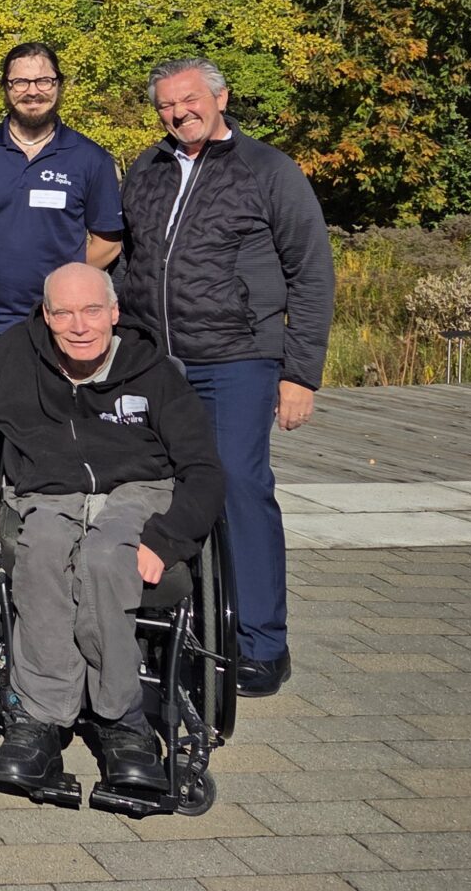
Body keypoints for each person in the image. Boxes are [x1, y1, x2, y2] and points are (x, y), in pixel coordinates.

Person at [0, 264, 225, 795]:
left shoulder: (153, 371)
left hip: (138, 494)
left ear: (113, 312)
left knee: (105, 557)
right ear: (46, 316)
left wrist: (168, 540)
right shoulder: (12, 359)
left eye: (92, 310)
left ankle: (123, 722)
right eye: (63, 312)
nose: (79, 325)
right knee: (44, 552)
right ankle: (41, 720)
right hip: (47, 493)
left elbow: (205, 470)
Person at [117, 57, 334, 699]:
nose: (177, 113)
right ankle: (173, 622)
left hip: (238, 358)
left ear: (219, 98)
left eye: (188, 101)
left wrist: (301, 374)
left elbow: (312, 273)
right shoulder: (146, 169)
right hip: (158, 360)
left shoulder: (268, 170)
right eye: (164, 105)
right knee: (157, 489)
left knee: (239, 485)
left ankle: (262, 642)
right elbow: (130, 260)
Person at [0, 42, 123, 382]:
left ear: (58, 85)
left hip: (59, 325)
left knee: (54, 428)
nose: (32, 91)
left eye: (43, 81)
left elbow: (108, 244)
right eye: (20, 82)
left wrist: (63, 287)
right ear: (6, 89)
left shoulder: (90, 159)